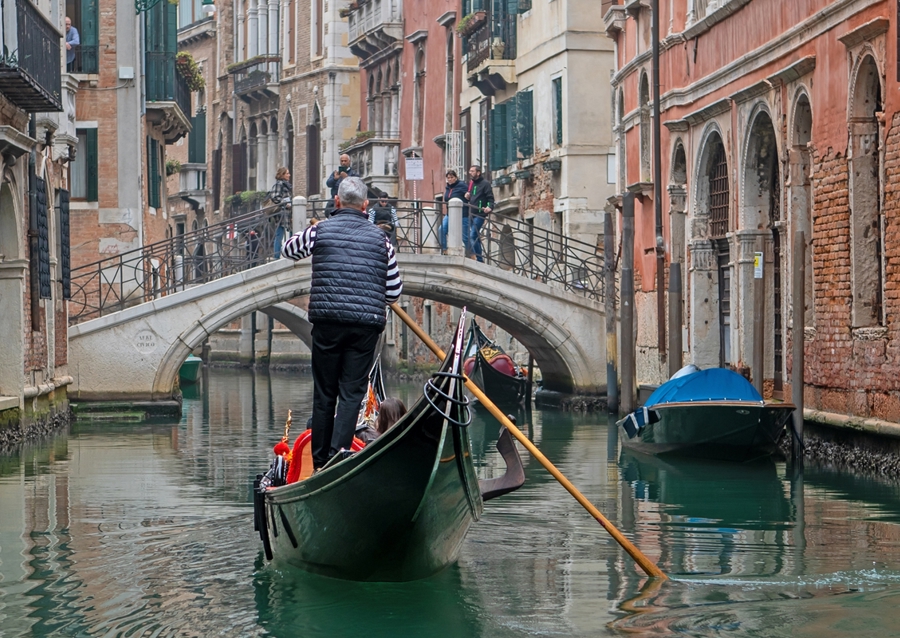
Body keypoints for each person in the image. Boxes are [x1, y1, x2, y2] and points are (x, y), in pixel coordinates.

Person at [282, 177, 403, 471]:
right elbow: (394, 292)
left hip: (327, 323)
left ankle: (321, 459)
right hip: (365, 327)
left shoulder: (320, 230)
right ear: (365, 206)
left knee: (326, 393)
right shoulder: (382, 241)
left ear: (336, 202)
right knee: (352, 393)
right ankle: (339, 455)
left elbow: (289, 250)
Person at [464, 165, 495, 262]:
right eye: (470, 171)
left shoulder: (485, 184)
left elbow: (490, 198)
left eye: (472, 171)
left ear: (478, 172)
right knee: (475, 237)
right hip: (471, 213)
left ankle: (478, 258)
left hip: (480, 214)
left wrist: (489, 207)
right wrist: (467, 195)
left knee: (472, 235)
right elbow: (471, 196)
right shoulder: (471, 183)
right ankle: (479, 258)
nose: (470, 173)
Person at [440, 170, 469, 253]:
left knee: (465, 237)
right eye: (448, 178)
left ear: (456, 178)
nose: (449, 179)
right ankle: (444, 250)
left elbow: (469, 195)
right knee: (441, 229)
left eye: (451, 177)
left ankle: (473, 255)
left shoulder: (462, 186)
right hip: (450, 214)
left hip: (463, 214)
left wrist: (468, 195)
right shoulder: (448, 188)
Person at [267, 167, 293, 258]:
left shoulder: (286, 185)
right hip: (281, 214)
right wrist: (285, 204)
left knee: (291, 233)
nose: (289, 175)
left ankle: (290, 252)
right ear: (282, 175)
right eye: (287, 173)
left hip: (288, 214)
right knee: (279, 234)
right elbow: (275, 197)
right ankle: (276, 257)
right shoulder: (278, 185)